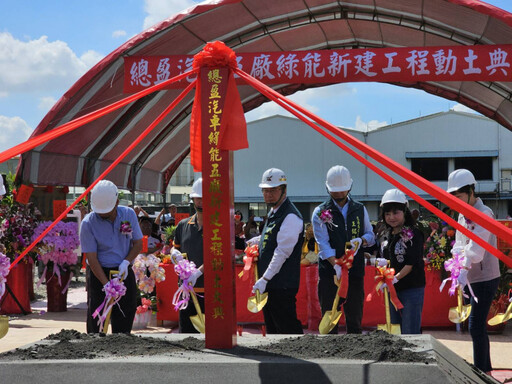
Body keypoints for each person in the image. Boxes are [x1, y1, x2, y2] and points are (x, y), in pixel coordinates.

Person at [448, 169, 500, 374]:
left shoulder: (484, 214)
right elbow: (459, 245)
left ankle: (482, 371)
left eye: (459, 197)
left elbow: (476, 252)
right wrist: (457, 263)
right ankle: (484, 369)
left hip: (485, 277)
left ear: (471, 191)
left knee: (475, 326)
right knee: (476, 326)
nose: (456, 202)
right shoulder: (463, 214)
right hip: (471, 277)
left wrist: (463, 261)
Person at [312, 165, 375, 334]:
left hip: (354, 272)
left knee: (354, 318)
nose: (339, 194)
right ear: (327, 188)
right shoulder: (320, 212)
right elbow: (323, 242)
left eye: (343, 190)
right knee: (330, 315)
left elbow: (370, 234)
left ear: (350, 187)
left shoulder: (360, 209)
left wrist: (361, 240)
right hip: (330, 273)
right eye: (335, 191)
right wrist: (336, 264)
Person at [80, 180, 143, 333]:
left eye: (106, 214)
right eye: (101, 214)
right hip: (99, 273)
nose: (103, 216)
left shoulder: (127, 215)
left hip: (123, 272)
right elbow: (92, 258)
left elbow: (137, 243)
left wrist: (126, 262)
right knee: (97, 321)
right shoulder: (88, 223)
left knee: (124, 315)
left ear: (117, 203)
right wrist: (106, 284)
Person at [251, 168, 304, 334]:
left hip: (281, 285)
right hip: (271, 285)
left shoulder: (290, 216)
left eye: (273, 190)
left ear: (284, 190)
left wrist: (265, 278)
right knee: (274, 331)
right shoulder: (275, 212)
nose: (268, 195)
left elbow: (282, 252)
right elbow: (274, 238)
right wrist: (257, 241)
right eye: (265, 191)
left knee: (287, 329)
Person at [380, 189, 425, 334]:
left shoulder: (414, 233)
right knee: (395, 330)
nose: (391, 217)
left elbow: (411, 263)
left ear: (405, 211)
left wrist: (395, 278)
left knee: (410, 331)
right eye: (387, 214)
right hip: (393, 289)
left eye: (395, 213)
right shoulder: (386, 234)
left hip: (411, 288)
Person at [172, 178, 204, 333]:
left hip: (209, 292)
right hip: (186, 292)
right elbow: (175, 248)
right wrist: (174, 254)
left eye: (205, 198)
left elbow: (218, 257)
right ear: (193, 199)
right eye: (198, 198)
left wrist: (198, 272)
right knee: (186, 335)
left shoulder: (218, 225)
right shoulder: (183, 225)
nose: (201, 202)